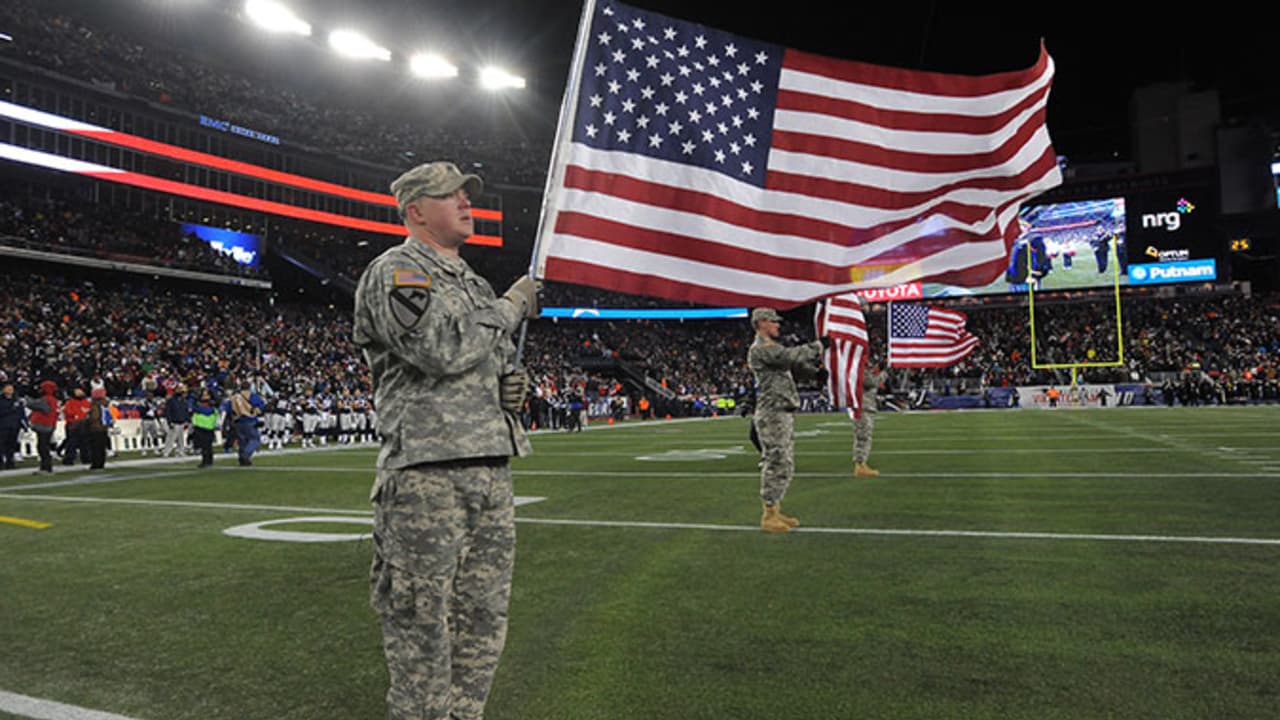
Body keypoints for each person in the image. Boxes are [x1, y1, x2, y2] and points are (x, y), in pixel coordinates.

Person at [353, 160, 538, 720]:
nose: (465, 203)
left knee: (483, 617)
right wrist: (510, 308)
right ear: (416, 211)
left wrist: (512, 386)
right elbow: (440, 350)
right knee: (422, 621)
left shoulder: (473, 282)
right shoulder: (399, 271)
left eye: (466, 195)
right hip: (427, 471)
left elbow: (490, 359)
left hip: (489, 467)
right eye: (450, 196)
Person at [747, 307, 825, 533]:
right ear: (762, 323)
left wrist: (814, 373)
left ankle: (775, 508)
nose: (778, 326)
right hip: (772, 412)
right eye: (774, 322)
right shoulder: (761, 349)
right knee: (776, 461)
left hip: (781, 410)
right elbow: (788, 357)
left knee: (785, 462)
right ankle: (768, 514)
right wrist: (818, 346)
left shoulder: (770, 349)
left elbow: (793, 367)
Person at [853, 361, 884, 477]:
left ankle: (862, 464)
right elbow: (872, 382)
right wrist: (883, 373)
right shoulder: (859, 370)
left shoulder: (861, 370)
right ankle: (860, 465)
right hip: (862, 407)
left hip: (865, 406)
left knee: (865, 436)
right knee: (863, 436)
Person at [26, 380, 59, 474]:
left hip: (44, 425)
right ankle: (45, 467)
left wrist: (28, 399)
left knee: (42, 447)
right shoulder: (52, 399)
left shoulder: (47, 399)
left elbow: (33, 405)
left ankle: (46, 467)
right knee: (44, 446)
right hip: (49, 425)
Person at [229, 383, 262, 466]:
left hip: (238, 420)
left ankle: (242, 458)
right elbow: (260, 406)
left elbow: (228, 407)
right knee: (254, 439)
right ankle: (245, 455)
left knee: (242, 441)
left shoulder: (234, 397)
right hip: (249, 419)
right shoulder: (252, 395)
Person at [60, 387, 90, 465]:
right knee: (72, 443)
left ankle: (86, 458)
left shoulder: (86, 402)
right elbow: (68, 412)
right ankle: (69, 459)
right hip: (73, 425)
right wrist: (78, 414)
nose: (80, 393)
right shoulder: (70, 402)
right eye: (78, 392)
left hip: (83, 424)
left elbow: (89, 411)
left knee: (85, 443)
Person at [86, 387, 112, 470]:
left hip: (96, 428)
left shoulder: (95, 405)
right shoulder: (105, 404)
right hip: (104, 428)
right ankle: (101, 463)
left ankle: (96, 464)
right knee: (102, 447)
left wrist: (88, 418)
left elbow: (94, 417)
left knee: (95, 448)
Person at [0, 383, 25, 469]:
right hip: (3, 425)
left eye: (11, 388)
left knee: (12, 445)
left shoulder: (17, 400)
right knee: (2, 444)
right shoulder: (1, 400)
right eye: (8, 388)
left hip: (14, 425)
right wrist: (11, 408)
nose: (10, 390)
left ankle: (10, 462)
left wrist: (24, 423)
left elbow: (21, 413)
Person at [191, 389, 218, 467]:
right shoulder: (197, 404)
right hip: (200, 426)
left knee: (207, 445)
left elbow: (207, 411)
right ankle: (206, 461)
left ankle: (207, 461)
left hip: (208, 426)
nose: (205, 397)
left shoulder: (211, 404)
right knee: (204, 446)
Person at [163, 384, 192, 457]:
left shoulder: (183, 401)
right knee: (171, 438)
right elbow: (168, 412)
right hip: (174, 422)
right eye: (178, 389)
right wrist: (170, 422)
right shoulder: (171, 400)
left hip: (181, 422)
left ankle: (180, 451)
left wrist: (187, 420)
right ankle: (166, 452)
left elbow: (185, 411)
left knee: (181, 439)